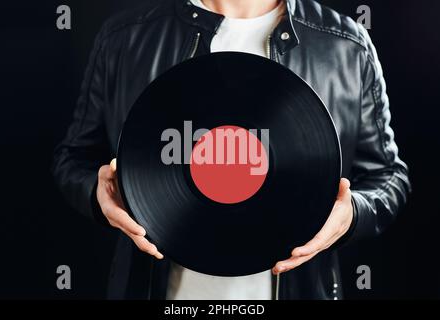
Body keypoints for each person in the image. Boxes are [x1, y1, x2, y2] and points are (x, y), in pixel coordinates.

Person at [52, 0, 410, 300]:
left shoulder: (346, 44)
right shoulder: (125, 38)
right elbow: (73, 159)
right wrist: (96, 194)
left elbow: (388, 177)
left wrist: (353, 213)